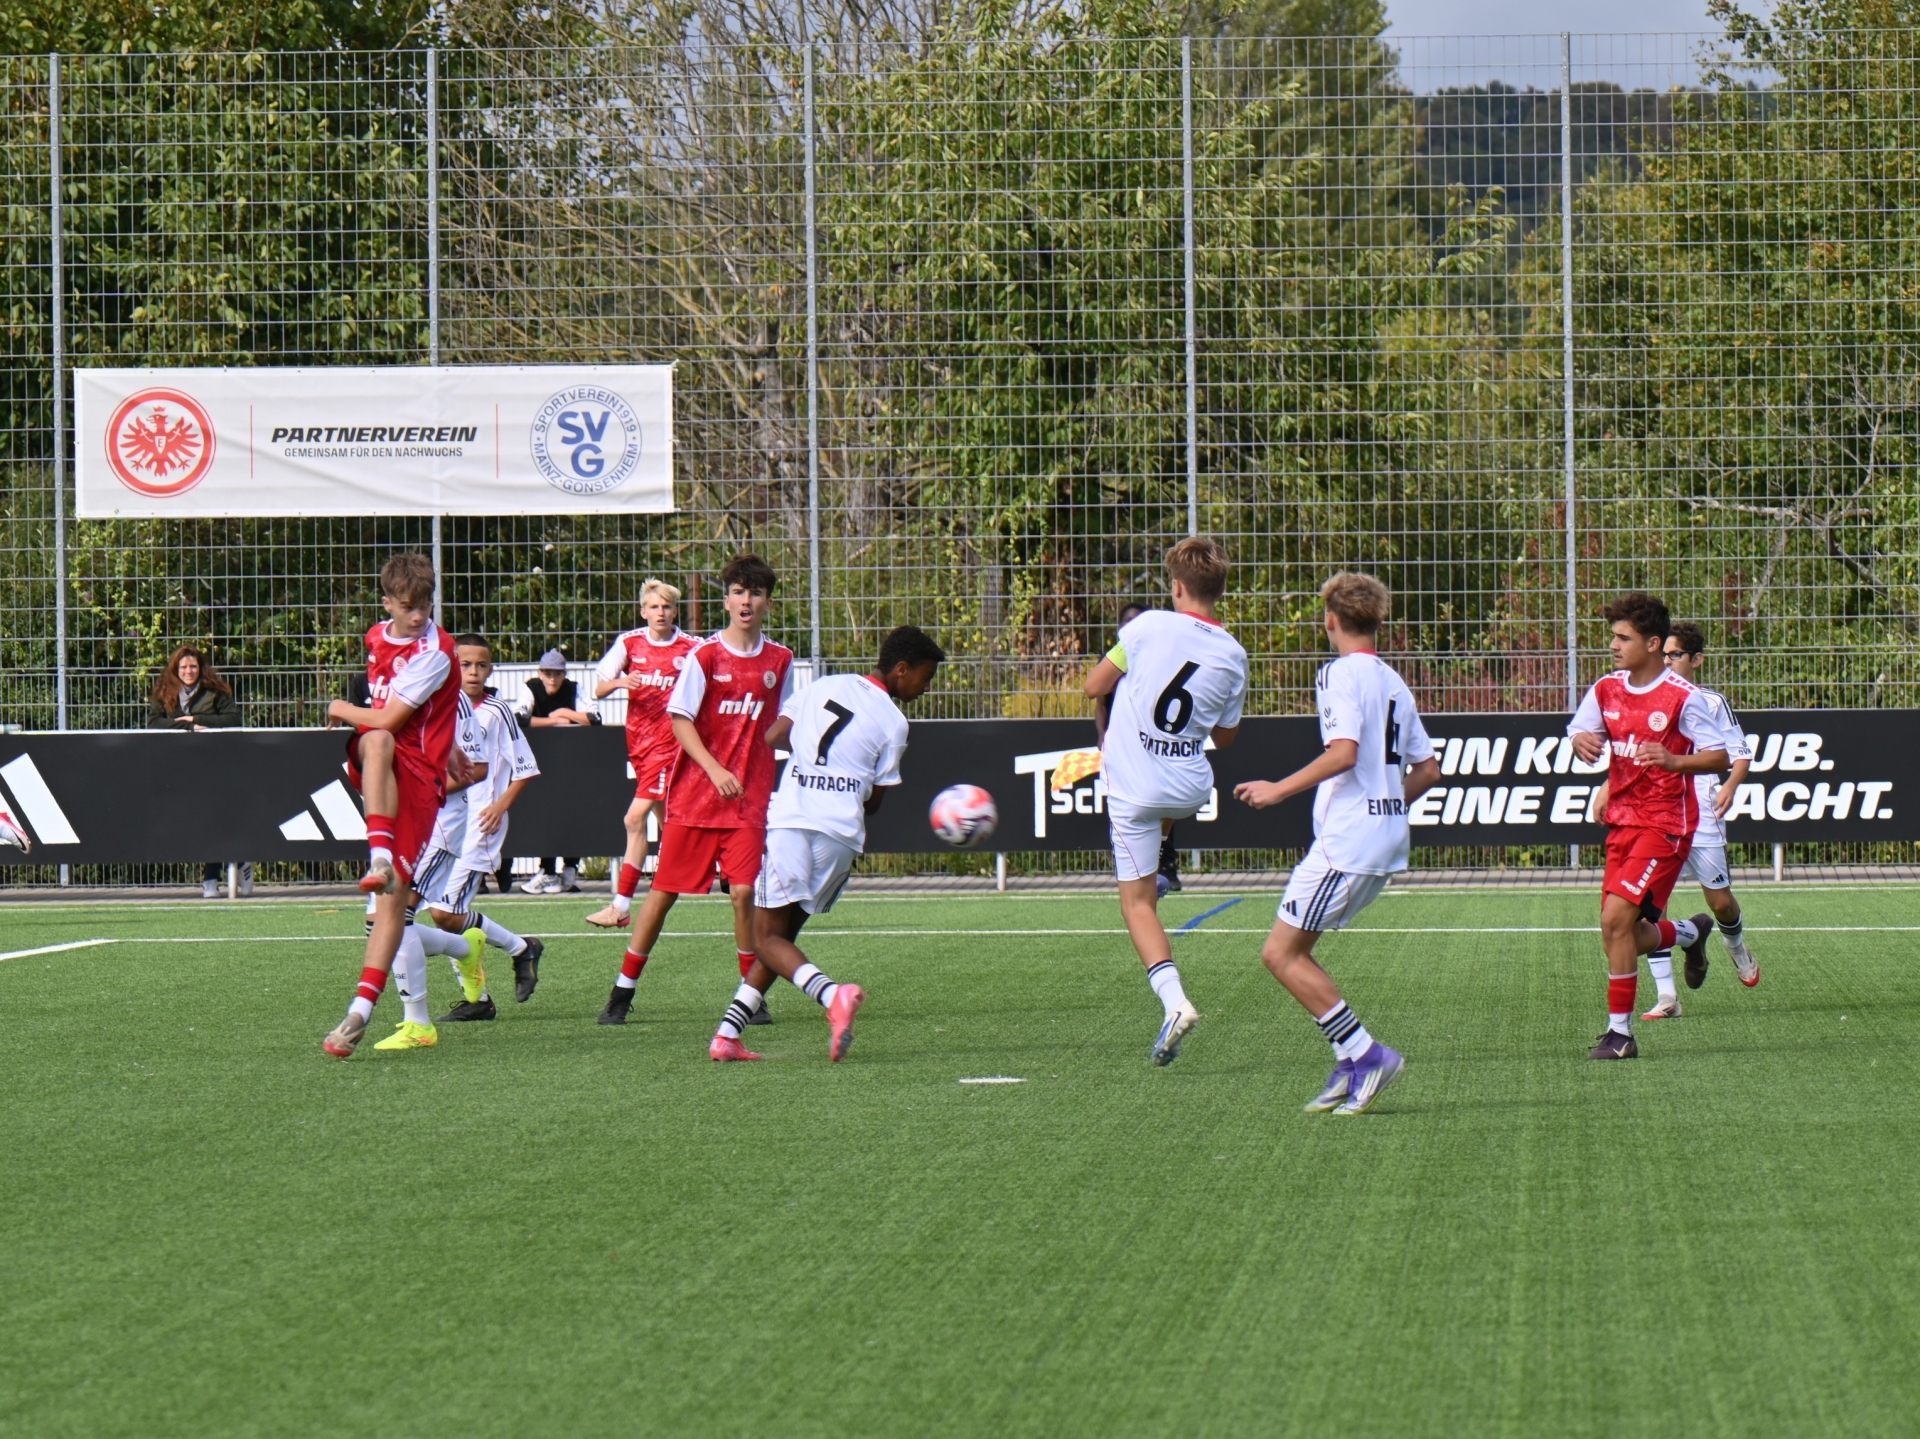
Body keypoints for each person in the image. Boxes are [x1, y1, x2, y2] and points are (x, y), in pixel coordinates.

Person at [1234, 573, 1442, 1115]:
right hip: (1383, 838)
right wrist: (1387, 804)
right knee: (1295, 952)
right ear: (1377, 621)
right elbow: (1429, 770)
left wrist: (1278, 789)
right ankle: (1350, 1062)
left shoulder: (1337, 673)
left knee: (1280, 953)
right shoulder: (1393, 680)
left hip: (1348, 843)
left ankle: (1368, 1055)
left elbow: (1344, 752)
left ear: (1330, 620)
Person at [708, 625, 947, 1061]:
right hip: (840, 837)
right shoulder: (895, 723)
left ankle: (833, 996)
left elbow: (774, 736)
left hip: (793, 822)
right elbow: (874, 803)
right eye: (925, 677)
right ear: (901, 669)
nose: (926, 687)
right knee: (782, 939)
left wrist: (810, 756)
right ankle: (727, 1035)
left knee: (764, 939)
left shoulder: (823, 685)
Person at [599, 554, 794, 1026]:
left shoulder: (781, 660)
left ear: (768, 603)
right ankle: (622, 991)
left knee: (744, 893)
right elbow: (680, 720)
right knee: (664, 893)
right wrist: (714, 769)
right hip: (694, 798)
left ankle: (751, 995)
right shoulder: (704, 656)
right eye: (738, 592)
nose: (746, 601)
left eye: (756, 593)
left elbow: (785, 724)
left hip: (747, 801)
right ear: (726, 600)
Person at [1081, 537, 1246, 1067]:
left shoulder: (1146, 626)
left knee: (1136, 904)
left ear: (1176, 587)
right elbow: (1225, 738)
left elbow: (1093, 686)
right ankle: (1161, 864)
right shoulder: (1234, 654)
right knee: (1164, 819)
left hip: (1135, 787)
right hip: (1190, 786)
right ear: (1219, 591)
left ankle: (1175, 1002)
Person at [1566, 592, 1730, 1061]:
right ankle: (1689, 933)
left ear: (1653, 643)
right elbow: (1580, 728)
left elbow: (1720, 756)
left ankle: (1620, 1035)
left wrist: (1675, 760)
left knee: (1615, 921)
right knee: (1618, 935)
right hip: (1622, 822)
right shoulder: (1606, 688)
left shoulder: (1683, 697)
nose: (1613, 645)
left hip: (1666, 824)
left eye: (1624, 638)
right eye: (1614, 637)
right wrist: (1580, 739)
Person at [319, 553, 469, 1057]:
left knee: (393, 904)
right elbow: (395, 721)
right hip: (384, 762)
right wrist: (452, 745)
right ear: (387, 603)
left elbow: (389, 715)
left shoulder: (437, 651)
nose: (419, 615)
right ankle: (379, 856)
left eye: (426, 605)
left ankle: (359, 1014)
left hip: (420, 780)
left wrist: (339, 707)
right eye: (408, 606)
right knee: (378, 742)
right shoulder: (376, 637)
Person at [1597, 622, 1761, 1018]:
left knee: (1720, 902)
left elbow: (1737, 753)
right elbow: (1631, 755)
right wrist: (1607, 786)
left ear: (1696, 660)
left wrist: (1729, 786)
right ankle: (1667, 996)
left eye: (1676, 655)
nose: (1668, 661)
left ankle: (1733, 946)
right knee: (1649, 908)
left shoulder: (1709, 702)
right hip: (1655, 815)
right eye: (1664, 654)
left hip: (1701, 812)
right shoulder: (1642, 697)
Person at [414, 634, 547, 1022]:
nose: (473, 672)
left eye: (481, 665)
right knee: (444, 913)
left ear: (491, 669)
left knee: (444, 913)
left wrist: (500, 806)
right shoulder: (443, 707)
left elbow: (525, 768)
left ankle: (515, 954)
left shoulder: (497, 711)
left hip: (479, 825)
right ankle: (490, 985)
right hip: (444, 824)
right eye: (466, 664)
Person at [585, 579, 699, 929]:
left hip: (671, 746)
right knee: (669, 820)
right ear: (643, 611)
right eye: (654, 607)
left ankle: (621, 905)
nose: (660, 612)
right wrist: (622, 681)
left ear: (675, 611)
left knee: (634, 819)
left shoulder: (692, 648)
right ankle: (695, 870)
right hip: (640, 746)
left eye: (666, 607)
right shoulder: (630, 643)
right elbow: (599, 688)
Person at [147, 646, 251, 898]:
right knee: (194, 823)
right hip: (178, 768)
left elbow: (233, 719)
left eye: (193, 666)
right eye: (183, 667)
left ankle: (212, 878)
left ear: (200, 668)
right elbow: (154, 723)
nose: (188, 671)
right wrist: (187, 728)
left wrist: (196, 720)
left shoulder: (216, 691)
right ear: (175, 669)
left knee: (214, 819)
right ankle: (240, 861)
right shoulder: (163, 692)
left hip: (214, 765)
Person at [1094, 604, 1182, 896]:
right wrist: (1103, 736)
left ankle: (1164, 864)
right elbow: (1098, 697)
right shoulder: (1113, 658)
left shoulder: (1157, 658)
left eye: (1136, 620)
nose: (1131, 625)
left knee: (1163, 804)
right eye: (1126, 620)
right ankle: (1134, 871)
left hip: (1152, 743)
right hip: (1121, 746)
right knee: (1126, 807)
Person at [518, 649, 594, 893]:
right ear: (540, 673)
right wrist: (556, 722)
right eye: (547, 673)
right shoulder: (531, 688)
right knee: (546, 814)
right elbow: (519, 719)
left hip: (573, 762)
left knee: (574, 813)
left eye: (557, 673)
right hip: (541, 761)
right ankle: (548, 871)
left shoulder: (575, 689)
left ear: (564, 674)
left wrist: (564, 713)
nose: (552, 679)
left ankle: (570, 868)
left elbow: (595, 718)